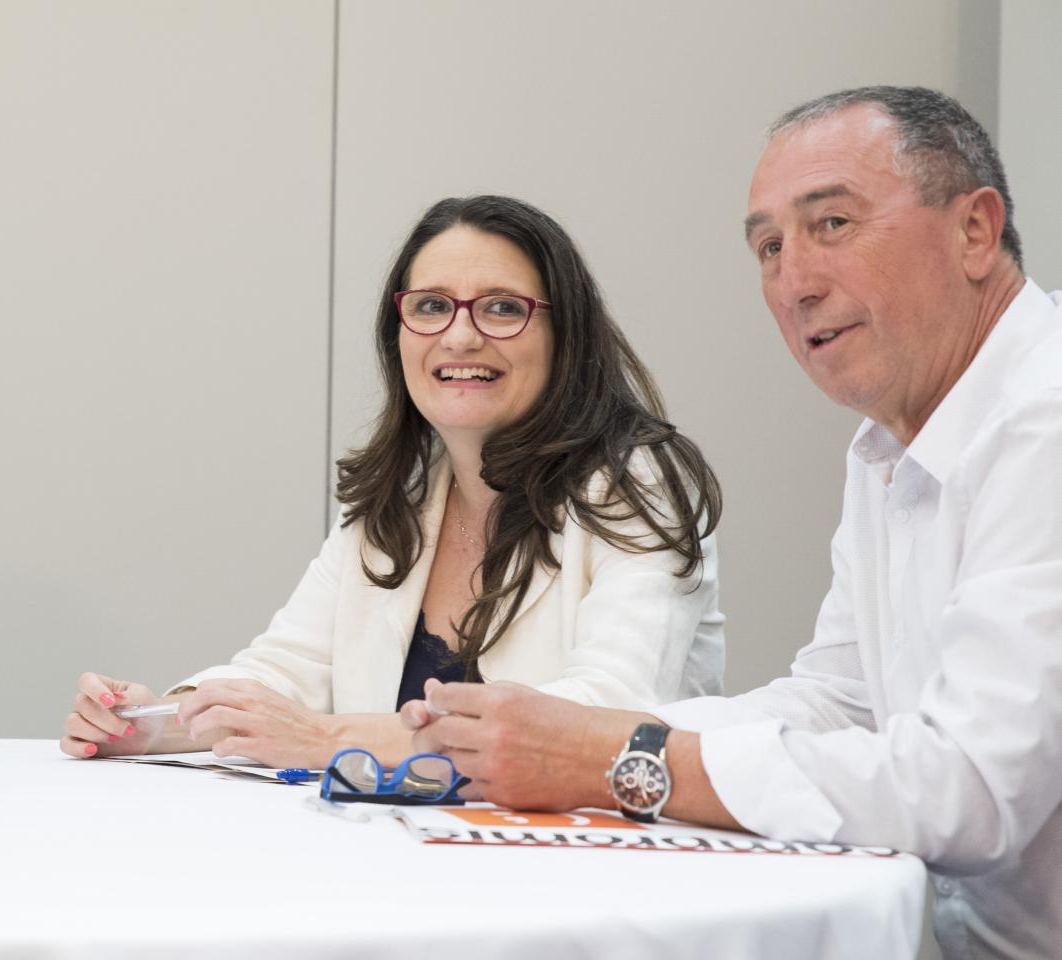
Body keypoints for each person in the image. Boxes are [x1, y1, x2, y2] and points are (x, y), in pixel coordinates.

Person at [401, 86, 1060, 959]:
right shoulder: (889, 442)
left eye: (832, 225)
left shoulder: (1045, 422)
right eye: (769, 246)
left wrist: (621, 761)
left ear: (975, 230)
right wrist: (609, 740)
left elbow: (969, 789)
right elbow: (840, 701)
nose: (794, 283)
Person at [62, 195, 725, 768]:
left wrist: (328, 739)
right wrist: (148, 723)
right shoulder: (399, 501)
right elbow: (282, 676)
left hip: (585, 880)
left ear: (565, 336)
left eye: (500, 308)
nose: (460, 336)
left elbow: (606, 713)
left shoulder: (640, 483)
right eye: (432, 305)